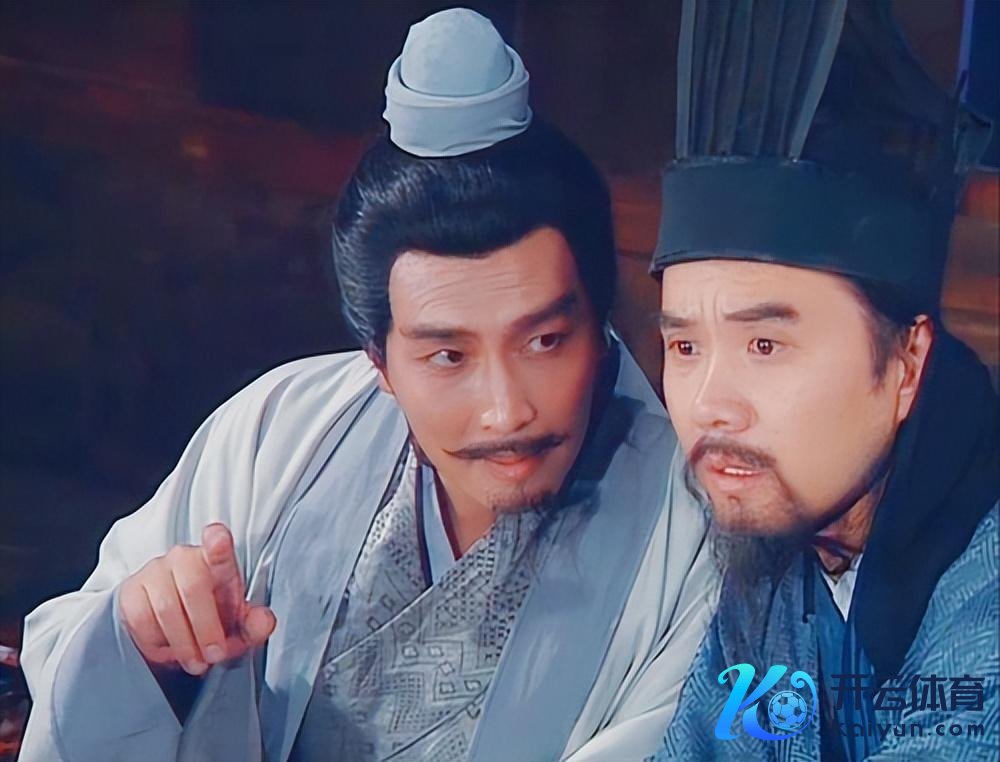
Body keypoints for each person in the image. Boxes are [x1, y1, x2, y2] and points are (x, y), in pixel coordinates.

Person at [19, 9, 715, 762]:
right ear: (378, 361)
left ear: (600, 322)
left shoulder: (692, 535)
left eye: (545, 341)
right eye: (447, 356)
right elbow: (73, 664)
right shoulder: (280, 431)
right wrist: (146, 650)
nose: (506, 409)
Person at [650, 0, 998, 760]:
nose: (710, 406)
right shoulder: (776, 556)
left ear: (906, 364)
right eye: (685, 346)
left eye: (765, 345)